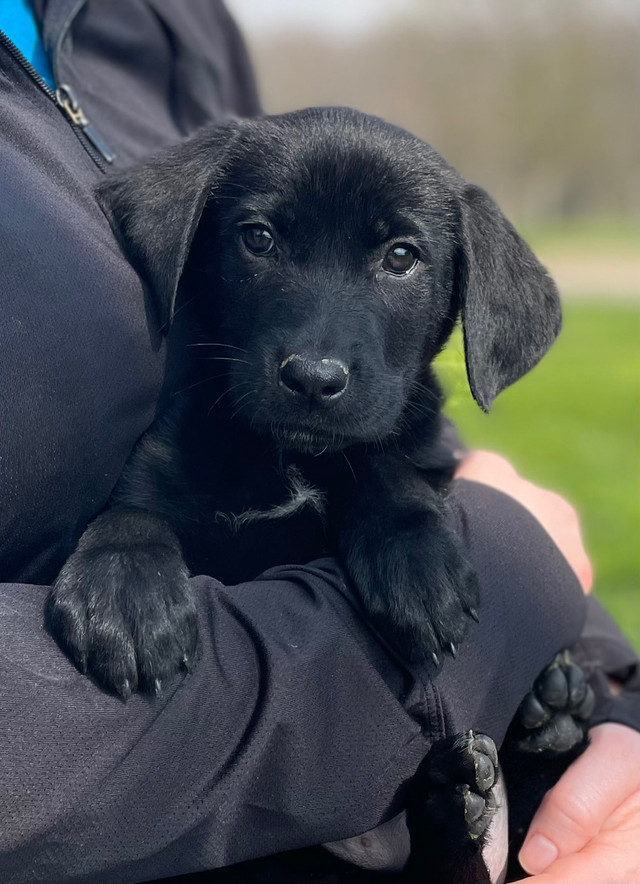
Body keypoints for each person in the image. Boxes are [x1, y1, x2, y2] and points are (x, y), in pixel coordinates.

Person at [0, 2, 637, 882]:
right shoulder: (188, 447)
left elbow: (464, 485)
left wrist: (612, 688)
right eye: (262, 239)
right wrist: (128, 541)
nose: (317, 362)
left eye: (400, 258)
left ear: (465, 300)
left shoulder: (162, 22)